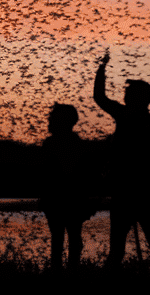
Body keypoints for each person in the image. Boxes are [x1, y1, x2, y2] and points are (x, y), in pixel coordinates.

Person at [94, 51, 150, 269]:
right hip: (139, 192)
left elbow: (99, 97)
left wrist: (101, 69)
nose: (124, 97)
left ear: (138, 98)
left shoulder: (127, 116)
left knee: (120, 250)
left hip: (130, 192)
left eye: (128, 94)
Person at [39, 102, 93, 271]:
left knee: (62, 240)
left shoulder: (53, 144)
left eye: (52, 119)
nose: (49, 122)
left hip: (62, 200)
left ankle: (63, 274)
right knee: (70, 239)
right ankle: (70, 273)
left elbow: (48, 174)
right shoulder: (77, 144)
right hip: (68, 200)